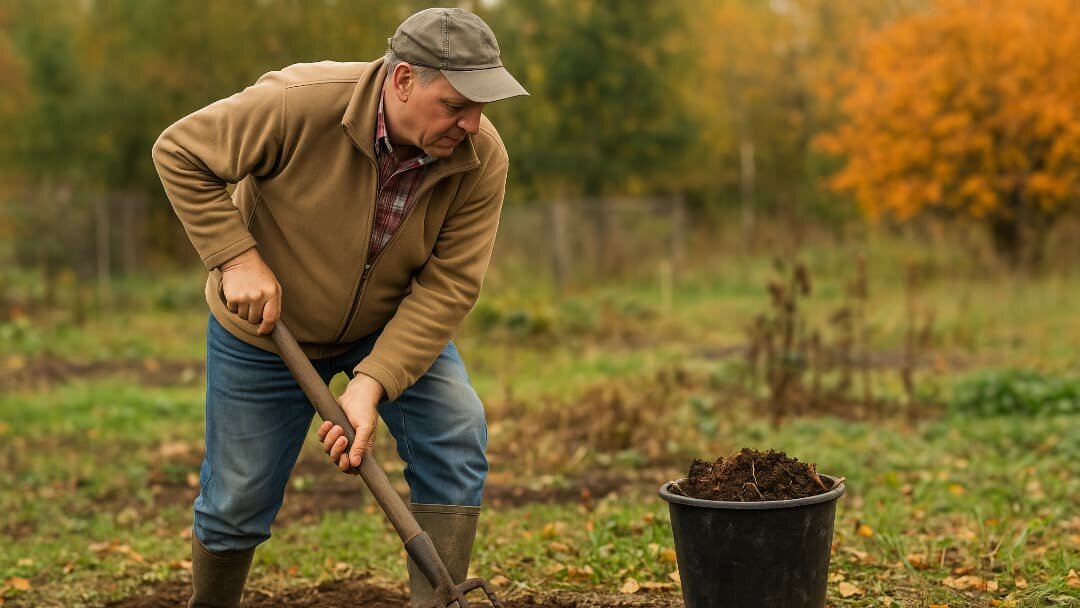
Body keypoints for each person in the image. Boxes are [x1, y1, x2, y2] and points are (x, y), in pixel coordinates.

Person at [151, 8, 527, 607]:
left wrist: (371, 383)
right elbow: (179, 152)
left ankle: (438, 600)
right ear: (402, 80)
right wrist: (236, 259)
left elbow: (450, 285)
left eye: (481, 107)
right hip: (266, 331)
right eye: (456, 105)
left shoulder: (480, 157)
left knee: (456, 432)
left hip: (388, 326)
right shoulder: (299, 103)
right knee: (237, 498)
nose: (472, 123)